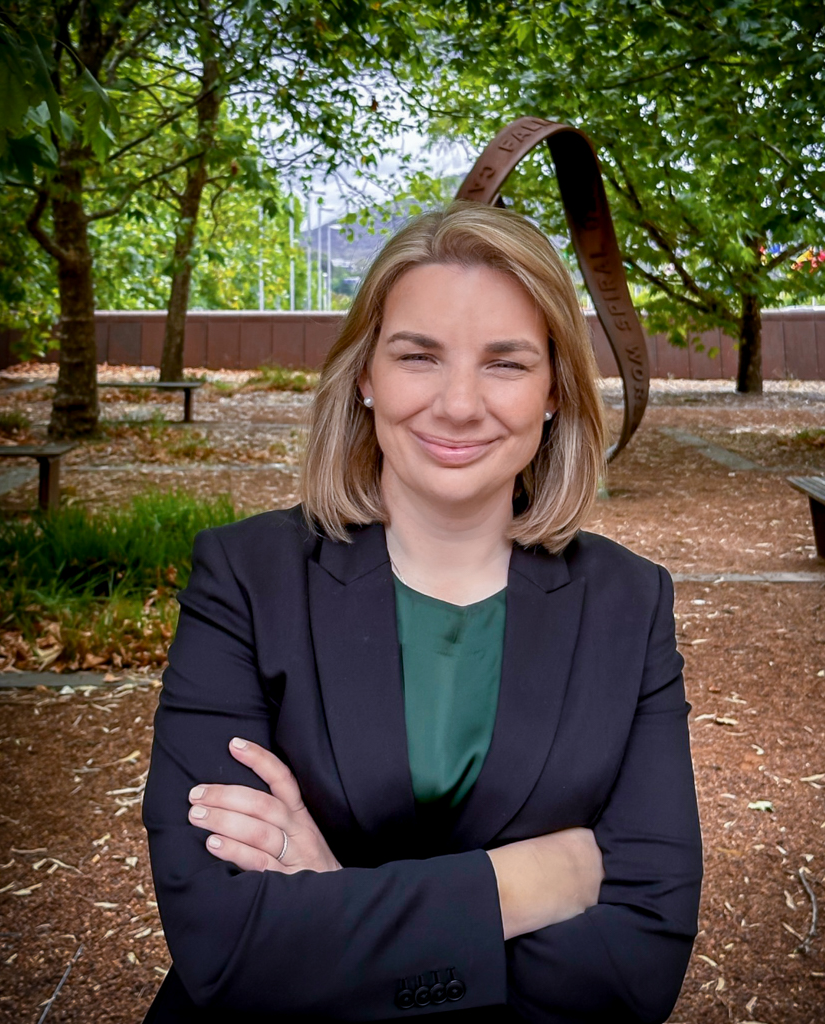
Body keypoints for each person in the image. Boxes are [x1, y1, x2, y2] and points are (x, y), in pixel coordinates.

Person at [142, 201, 703, 1023]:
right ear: (366, 375)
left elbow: (634, 967)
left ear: (554, 390)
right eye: (419, 356)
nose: (459, 403)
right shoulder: (246, 578)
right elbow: (223, 942)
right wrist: (527, 882)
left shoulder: (629, 601)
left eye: (506, 363)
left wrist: (334, 902)